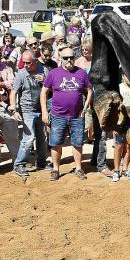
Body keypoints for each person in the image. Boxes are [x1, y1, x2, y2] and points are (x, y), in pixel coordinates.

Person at [40, 46, 92, 182]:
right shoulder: (53, 73)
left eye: (71, 57)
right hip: (58, 115)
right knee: (56, 143)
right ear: (60, 59)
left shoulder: (81, 73)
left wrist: (85, 107)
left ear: (75, 58)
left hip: (76, 116)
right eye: (65, 58)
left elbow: (89, 90)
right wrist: (45, 111)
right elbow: (44, 92)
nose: (69, 60)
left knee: (78, 143)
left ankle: (79, 168)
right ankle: (55, 169)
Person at [10, 51, 48, 177]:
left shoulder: (44, 70)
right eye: (24, 62)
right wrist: (14, 109)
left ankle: (42, 162)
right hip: (27, 109)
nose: (26, 65)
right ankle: (19, 164)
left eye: (28, 63)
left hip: (41, 108)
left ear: (35, 61)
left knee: (42, 138)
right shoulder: (21, 74)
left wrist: (45, 80)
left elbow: (53, 88)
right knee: (29, 138)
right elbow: (13, 92)